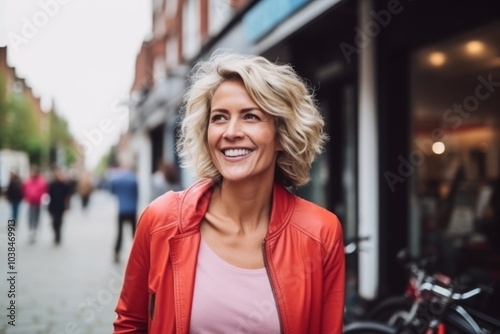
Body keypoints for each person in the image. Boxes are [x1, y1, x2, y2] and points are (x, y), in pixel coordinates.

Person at [113, 51, 345, 333]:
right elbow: (131, 323)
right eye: (220, 118)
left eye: (250, 116)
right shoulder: (161, 220)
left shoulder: (321, 233)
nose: (231, 131)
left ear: (281, 136)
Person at [108, 163, 138, 263]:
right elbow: (137, 194)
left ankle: (116, 253)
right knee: (135, 234)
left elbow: (112, 190)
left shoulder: (117, 179)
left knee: (119, 233)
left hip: (122, 210)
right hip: (132, 209)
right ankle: (138, 254)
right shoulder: (133, 179)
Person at [23, 165, 48, 243]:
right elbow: (25, 189)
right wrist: (27, 197)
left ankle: (34, 230)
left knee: (36, 216)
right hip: (31, 202)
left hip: (37, 202)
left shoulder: (41, 181)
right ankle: (31, 230)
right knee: (30, 216)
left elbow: (43, 190)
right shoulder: (28, 180)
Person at [47, 168, 71, 245]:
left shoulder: (64, 185)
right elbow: (48, 194)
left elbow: (68, 194)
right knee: (54, 222)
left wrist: (67, 205)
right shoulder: (51, 184)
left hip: (61, 206)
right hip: (53, 206)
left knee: (59, 222)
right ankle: (56, 235)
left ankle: (58, 236)